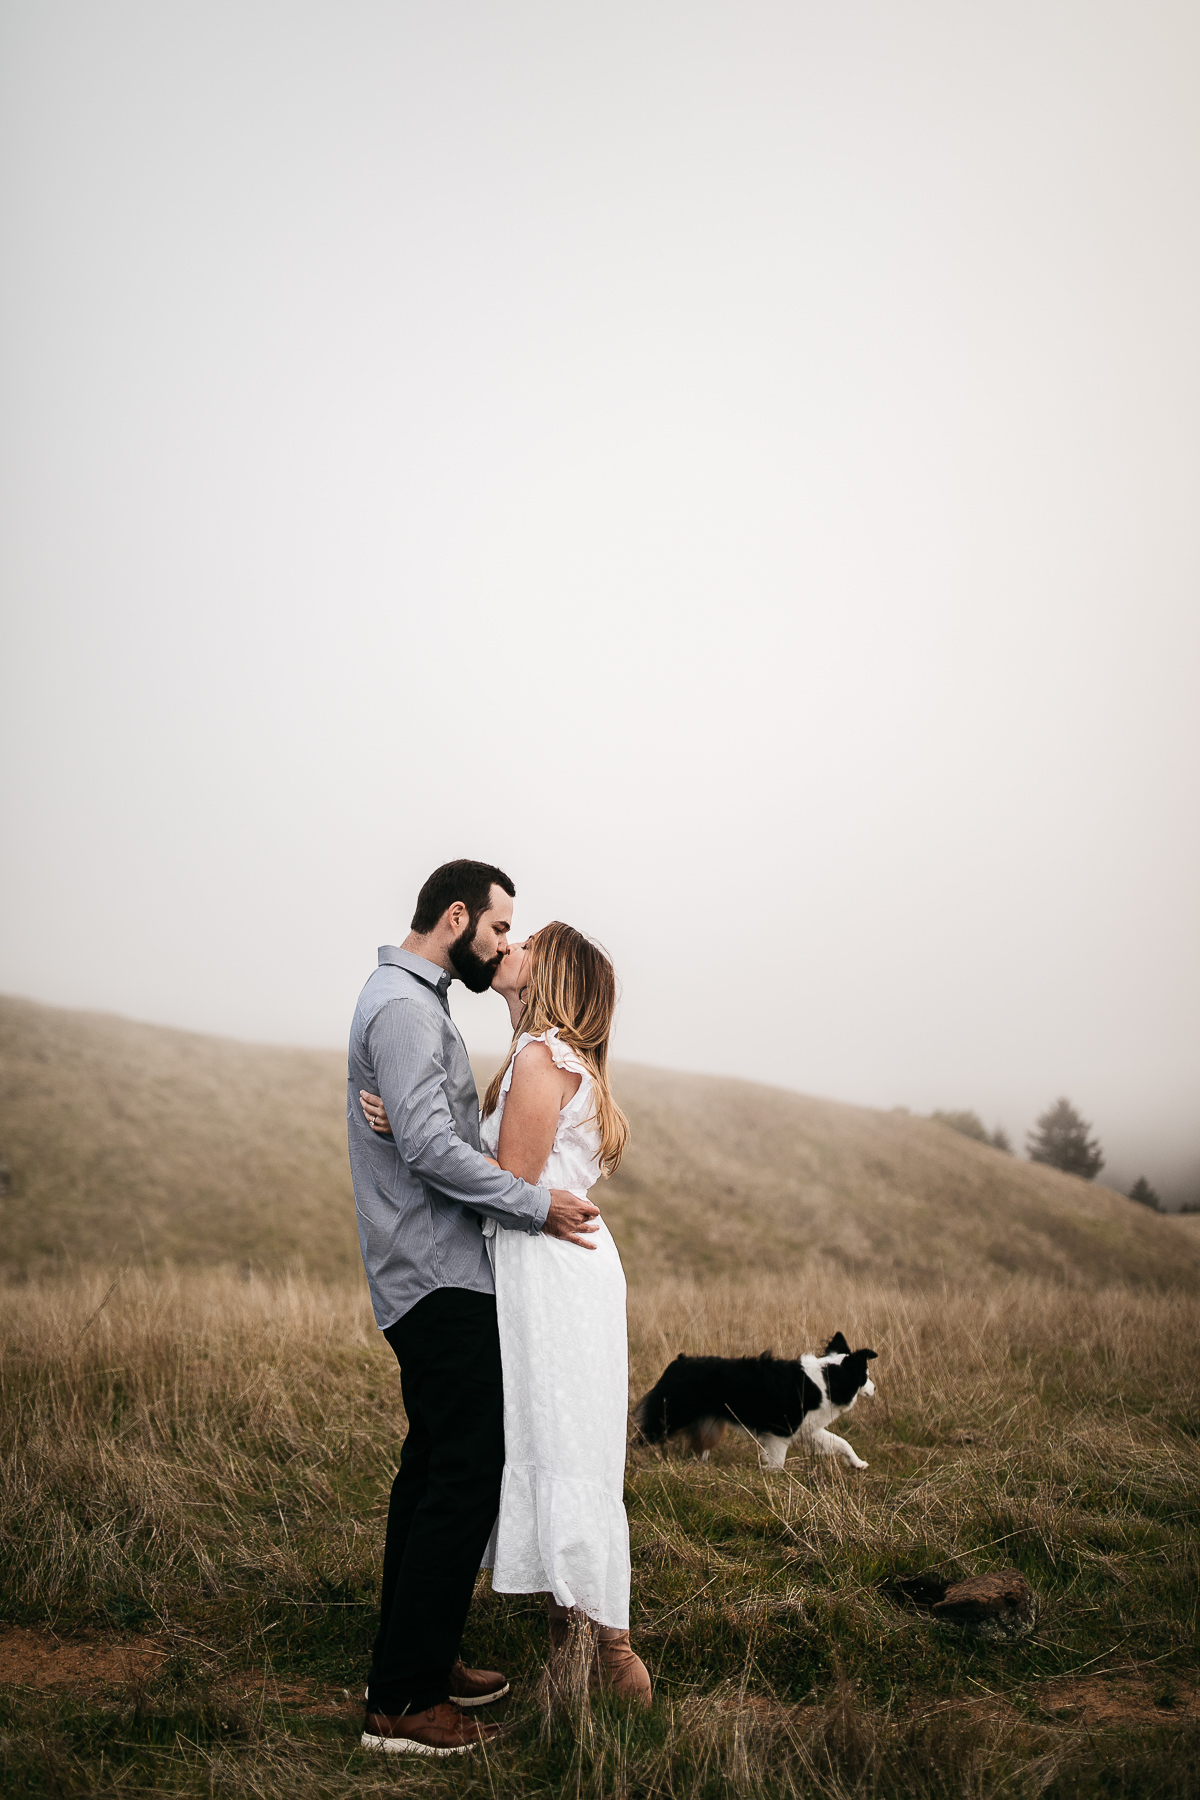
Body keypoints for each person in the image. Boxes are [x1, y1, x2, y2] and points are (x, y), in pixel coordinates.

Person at [361, 920, 651, 1706]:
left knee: (559, 1441)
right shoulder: (564, 1059)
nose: (507, 950)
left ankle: (612, 1660)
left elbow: (514, 1179)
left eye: (523, 944)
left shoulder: (536, 1056)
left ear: (548, 970)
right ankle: (586, 1656)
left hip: (546, 1269)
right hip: (567, 1266)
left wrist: (416, 1130)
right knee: (572, 1448)